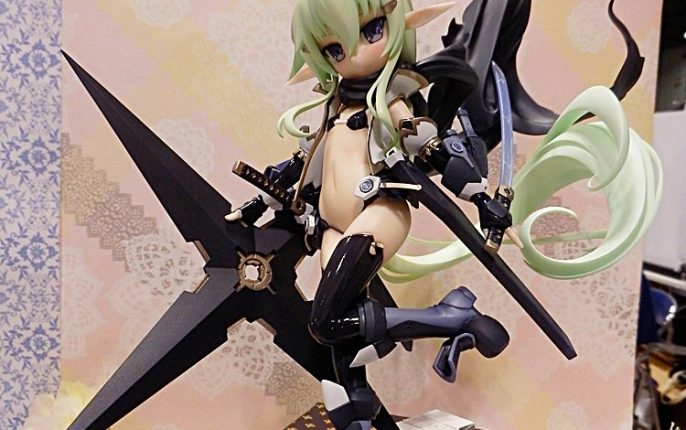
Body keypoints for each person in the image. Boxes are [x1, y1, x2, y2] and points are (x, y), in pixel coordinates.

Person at [227, 1, 662, 428]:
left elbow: (434, 149)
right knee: (342, 338)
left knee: (324, 322)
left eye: (371, 30)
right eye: (335, 49)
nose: (354, 54)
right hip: (330, 228)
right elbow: (302, 165)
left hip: (378, 212)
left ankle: (452, 317)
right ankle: (360, 412)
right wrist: (261, 201)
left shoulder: (391, 100)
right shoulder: (333, 108)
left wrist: (481, 199)